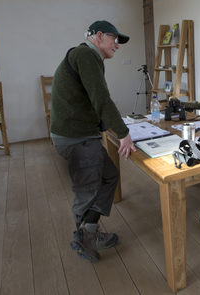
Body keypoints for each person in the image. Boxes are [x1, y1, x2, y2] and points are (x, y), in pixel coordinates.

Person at [50, 20, 137, 262]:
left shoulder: (87, 57)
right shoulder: (86, 55)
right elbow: (101, 99)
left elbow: (91, 100)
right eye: (114, 39)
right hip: (76, 137)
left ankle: (87, 231)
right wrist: (122, 132)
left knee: (109, 176)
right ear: (99, 36)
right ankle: (85, 238)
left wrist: (105, 126)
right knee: (87, 191)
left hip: (78, 134)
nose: (117, 45)